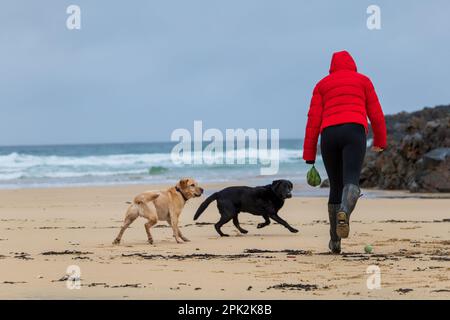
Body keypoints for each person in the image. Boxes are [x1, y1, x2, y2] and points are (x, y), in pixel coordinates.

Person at [303, 50, 387, 254]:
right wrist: (380, 140)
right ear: (353, 64)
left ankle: (335, 242)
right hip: (354, 132)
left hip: (329, 134)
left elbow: (313, 121)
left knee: (335, 186)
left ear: (332, 66)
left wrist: (309, 155)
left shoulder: (322, 85)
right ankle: (344, 211)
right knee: (351, 182)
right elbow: (376, 113)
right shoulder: (363, 81)